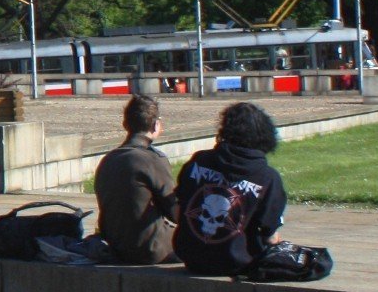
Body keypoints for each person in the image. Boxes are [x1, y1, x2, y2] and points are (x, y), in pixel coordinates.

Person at [172, 101, 286, 276]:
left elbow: (179, 209)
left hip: (191, 257)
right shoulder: (267, 177)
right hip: (237, 261)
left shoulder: (198, 161)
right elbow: (269, 233)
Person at [92, 93, 176, 264]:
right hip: (149, 249)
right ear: (155, 125)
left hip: (116, 247)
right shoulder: (152, 159)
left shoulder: (107, 160)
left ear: (125, 124)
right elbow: (175, 212)